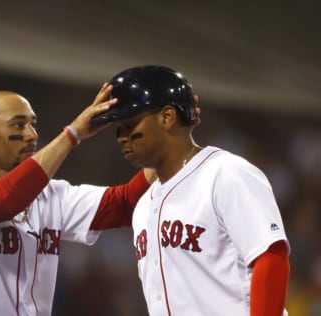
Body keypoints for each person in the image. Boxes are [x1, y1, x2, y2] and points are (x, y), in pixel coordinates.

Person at [0, 84, 156, 316]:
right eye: (19, 124)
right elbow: (1, 202)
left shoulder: (53, 195)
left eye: (33, 124)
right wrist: (72, 135)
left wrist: (164, 149)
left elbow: (126, 203)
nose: (32, 134)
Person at [92, 65, 290, 316]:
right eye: (118, 129)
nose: (122, 137)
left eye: (130, 124)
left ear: (167, 117)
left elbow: (271, 258)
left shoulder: (225, 172)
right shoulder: (143, 206)